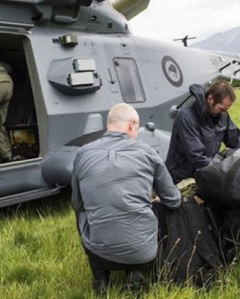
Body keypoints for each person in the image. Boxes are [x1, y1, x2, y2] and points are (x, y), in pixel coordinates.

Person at [71, 103, 182, 295]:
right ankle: (136, 270)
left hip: (98, 252)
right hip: (143, 252)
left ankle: (101, 277)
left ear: (109, 124)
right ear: (132, 124)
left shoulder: (82, 154)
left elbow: (77, 202)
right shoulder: (148, 152)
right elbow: (173, 200)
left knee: (82, 212)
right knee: (154, 209)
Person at [165, 81, 240, 184]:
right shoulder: (186, 117)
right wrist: (222, 168)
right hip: (181, 177)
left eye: (226, 110)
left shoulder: (222, 116)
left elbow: (235, 140)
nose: (224, 113)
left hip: (204, 171)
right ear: (210, 99)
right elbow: (197, 157)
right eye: (221, 109)